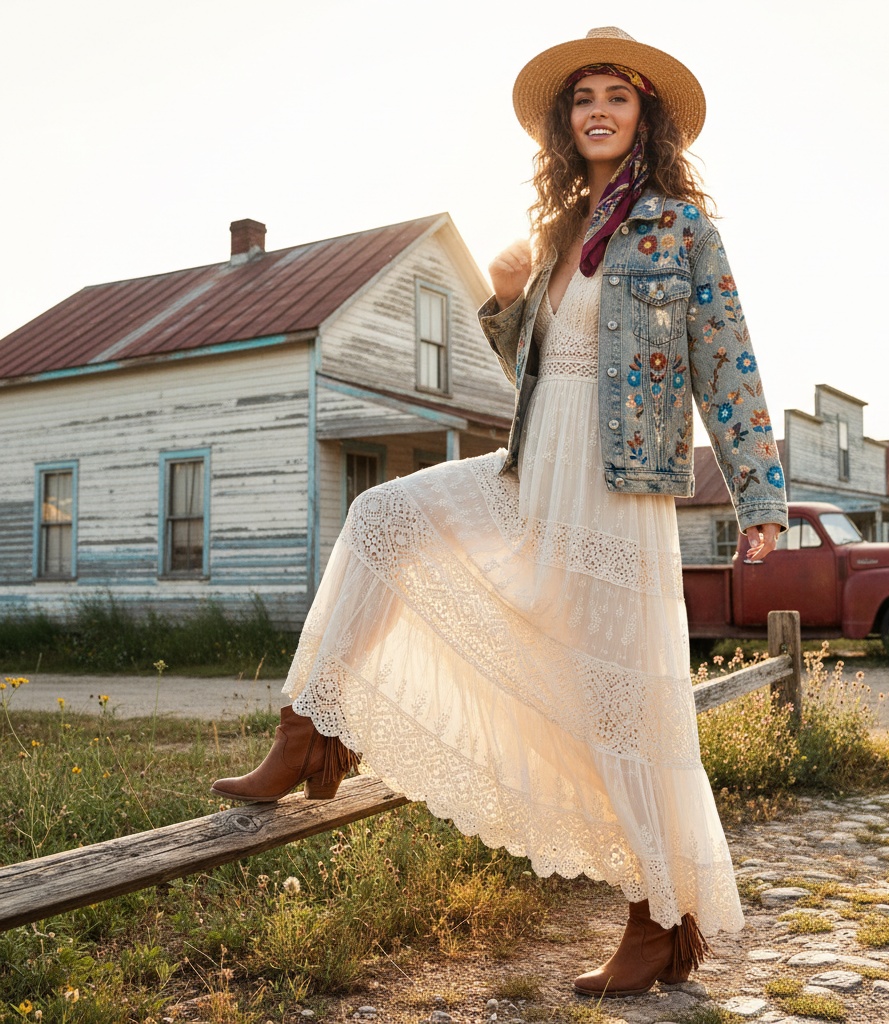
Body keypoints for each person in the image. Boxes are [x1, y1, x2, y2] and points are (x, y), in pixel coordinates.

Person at [213, 26, 788, 998]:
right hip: (531, 466)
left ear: (645, 116)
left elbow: (726, 362)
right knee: (383, 520)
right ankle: (313, 726)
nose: (596, 110)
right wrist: (508, 299)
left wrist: (758, 491)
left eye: (616, 95)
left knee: (615, 713)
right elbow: (531, 366)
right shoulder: (565, 230)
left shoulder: (681, 230)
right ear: (567, 124)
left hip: (614, 484)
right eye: (581, 98)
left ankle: (658, 920)